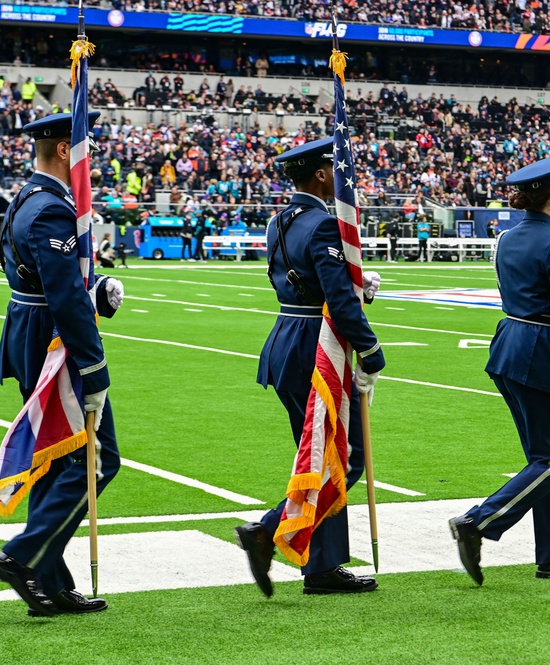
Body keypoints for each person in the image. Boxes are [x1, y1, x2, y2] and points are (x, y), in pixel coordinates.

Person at [235, 136, 385, 597]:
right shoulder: (323, 224)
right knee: (347, 453)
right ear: (321, 174)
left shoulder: (279, 221)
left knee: (321, 452)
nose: (341, 177)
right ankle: (266, 531)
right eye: (334, 169)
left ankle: (322, 564)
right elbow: (337, 300)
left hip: (285, 340)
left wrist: (358, 288)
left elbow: (303, 283)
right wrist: (370, 349)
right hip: (314, 349)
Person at [0, 112, 126, 617]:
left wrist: (98, 292)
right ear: (66, 152)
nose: (93, 160)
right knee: (99, 458)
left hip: (29, 330)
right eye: (86, 149)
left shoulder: (26, 197)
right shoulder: (51, 210)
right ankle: (21, 556)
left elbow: (42, 279)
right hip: (53, 345)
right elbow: (65, 299)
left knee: (53, 457)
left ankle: (47, 580)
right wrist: (94, 369)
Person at [449, 154, 550, 586]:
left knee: (541, 458)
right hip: (542, 356)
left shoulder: (508, 237)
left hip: (509, 348)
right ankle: (477, 523)